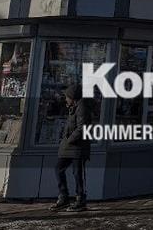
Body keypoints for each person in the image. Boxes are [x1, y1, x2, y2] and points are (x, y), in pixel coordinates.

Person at [50, 84, 92, 212]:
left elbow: (82, 128)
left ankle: (80, 199)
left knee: (77, 173)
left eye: (67, 97)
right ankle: (64, 196)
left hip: (78, 147)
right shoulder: (73, 108)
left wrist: (69, 140)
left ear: (73, 97)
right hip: (70, 147)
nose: (65, 99)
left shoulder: (82, 108)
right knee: (59, 168)